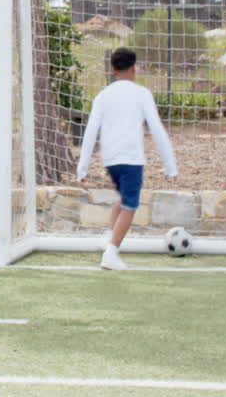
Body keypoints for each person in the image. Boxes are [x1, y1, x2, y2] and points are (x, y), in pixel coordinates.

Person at [76, 47, 178, 271]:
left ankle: (108, 239)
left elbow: (90, 131)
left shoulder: (103, 96)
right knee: (130, 206)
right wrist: (170, 166)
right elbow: (157, 129)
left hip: (110, 159)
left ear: (112, 70)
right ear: (135, 69)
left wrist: (82, 168)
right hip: (131, 159)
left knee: (122, 200)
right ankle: (111, 252)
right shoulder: (142, 94)